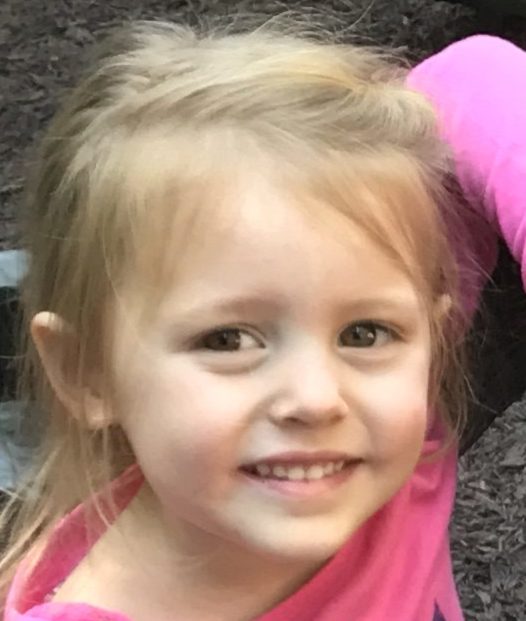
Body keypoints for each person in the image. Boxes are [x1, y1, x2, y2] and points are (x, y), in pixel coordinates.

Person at [0, 20, 523, 621]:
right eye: (228, 340)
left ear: (431, 341)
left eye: (364, 333)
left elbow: (471, 75)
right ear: (87, 371)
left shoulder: (388, 442)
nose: (316, 400)